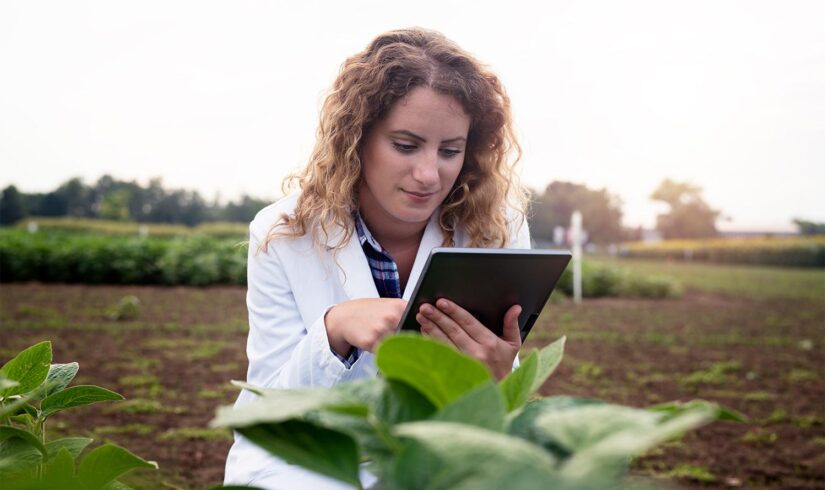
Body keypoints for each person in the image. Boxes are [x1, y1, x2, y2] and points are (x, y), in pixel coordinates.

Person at [224, 27, 531, 488]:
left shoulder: (497, 226)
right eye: (405, 146)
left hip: (442, 457)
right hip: (310, 468)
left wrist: (498, 378)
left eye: (450, 150)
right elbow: (266, 411)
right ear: (358, 137)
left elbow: (504, 405)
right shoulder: (281, 234)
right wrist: (333, 331)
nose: (429, 174)